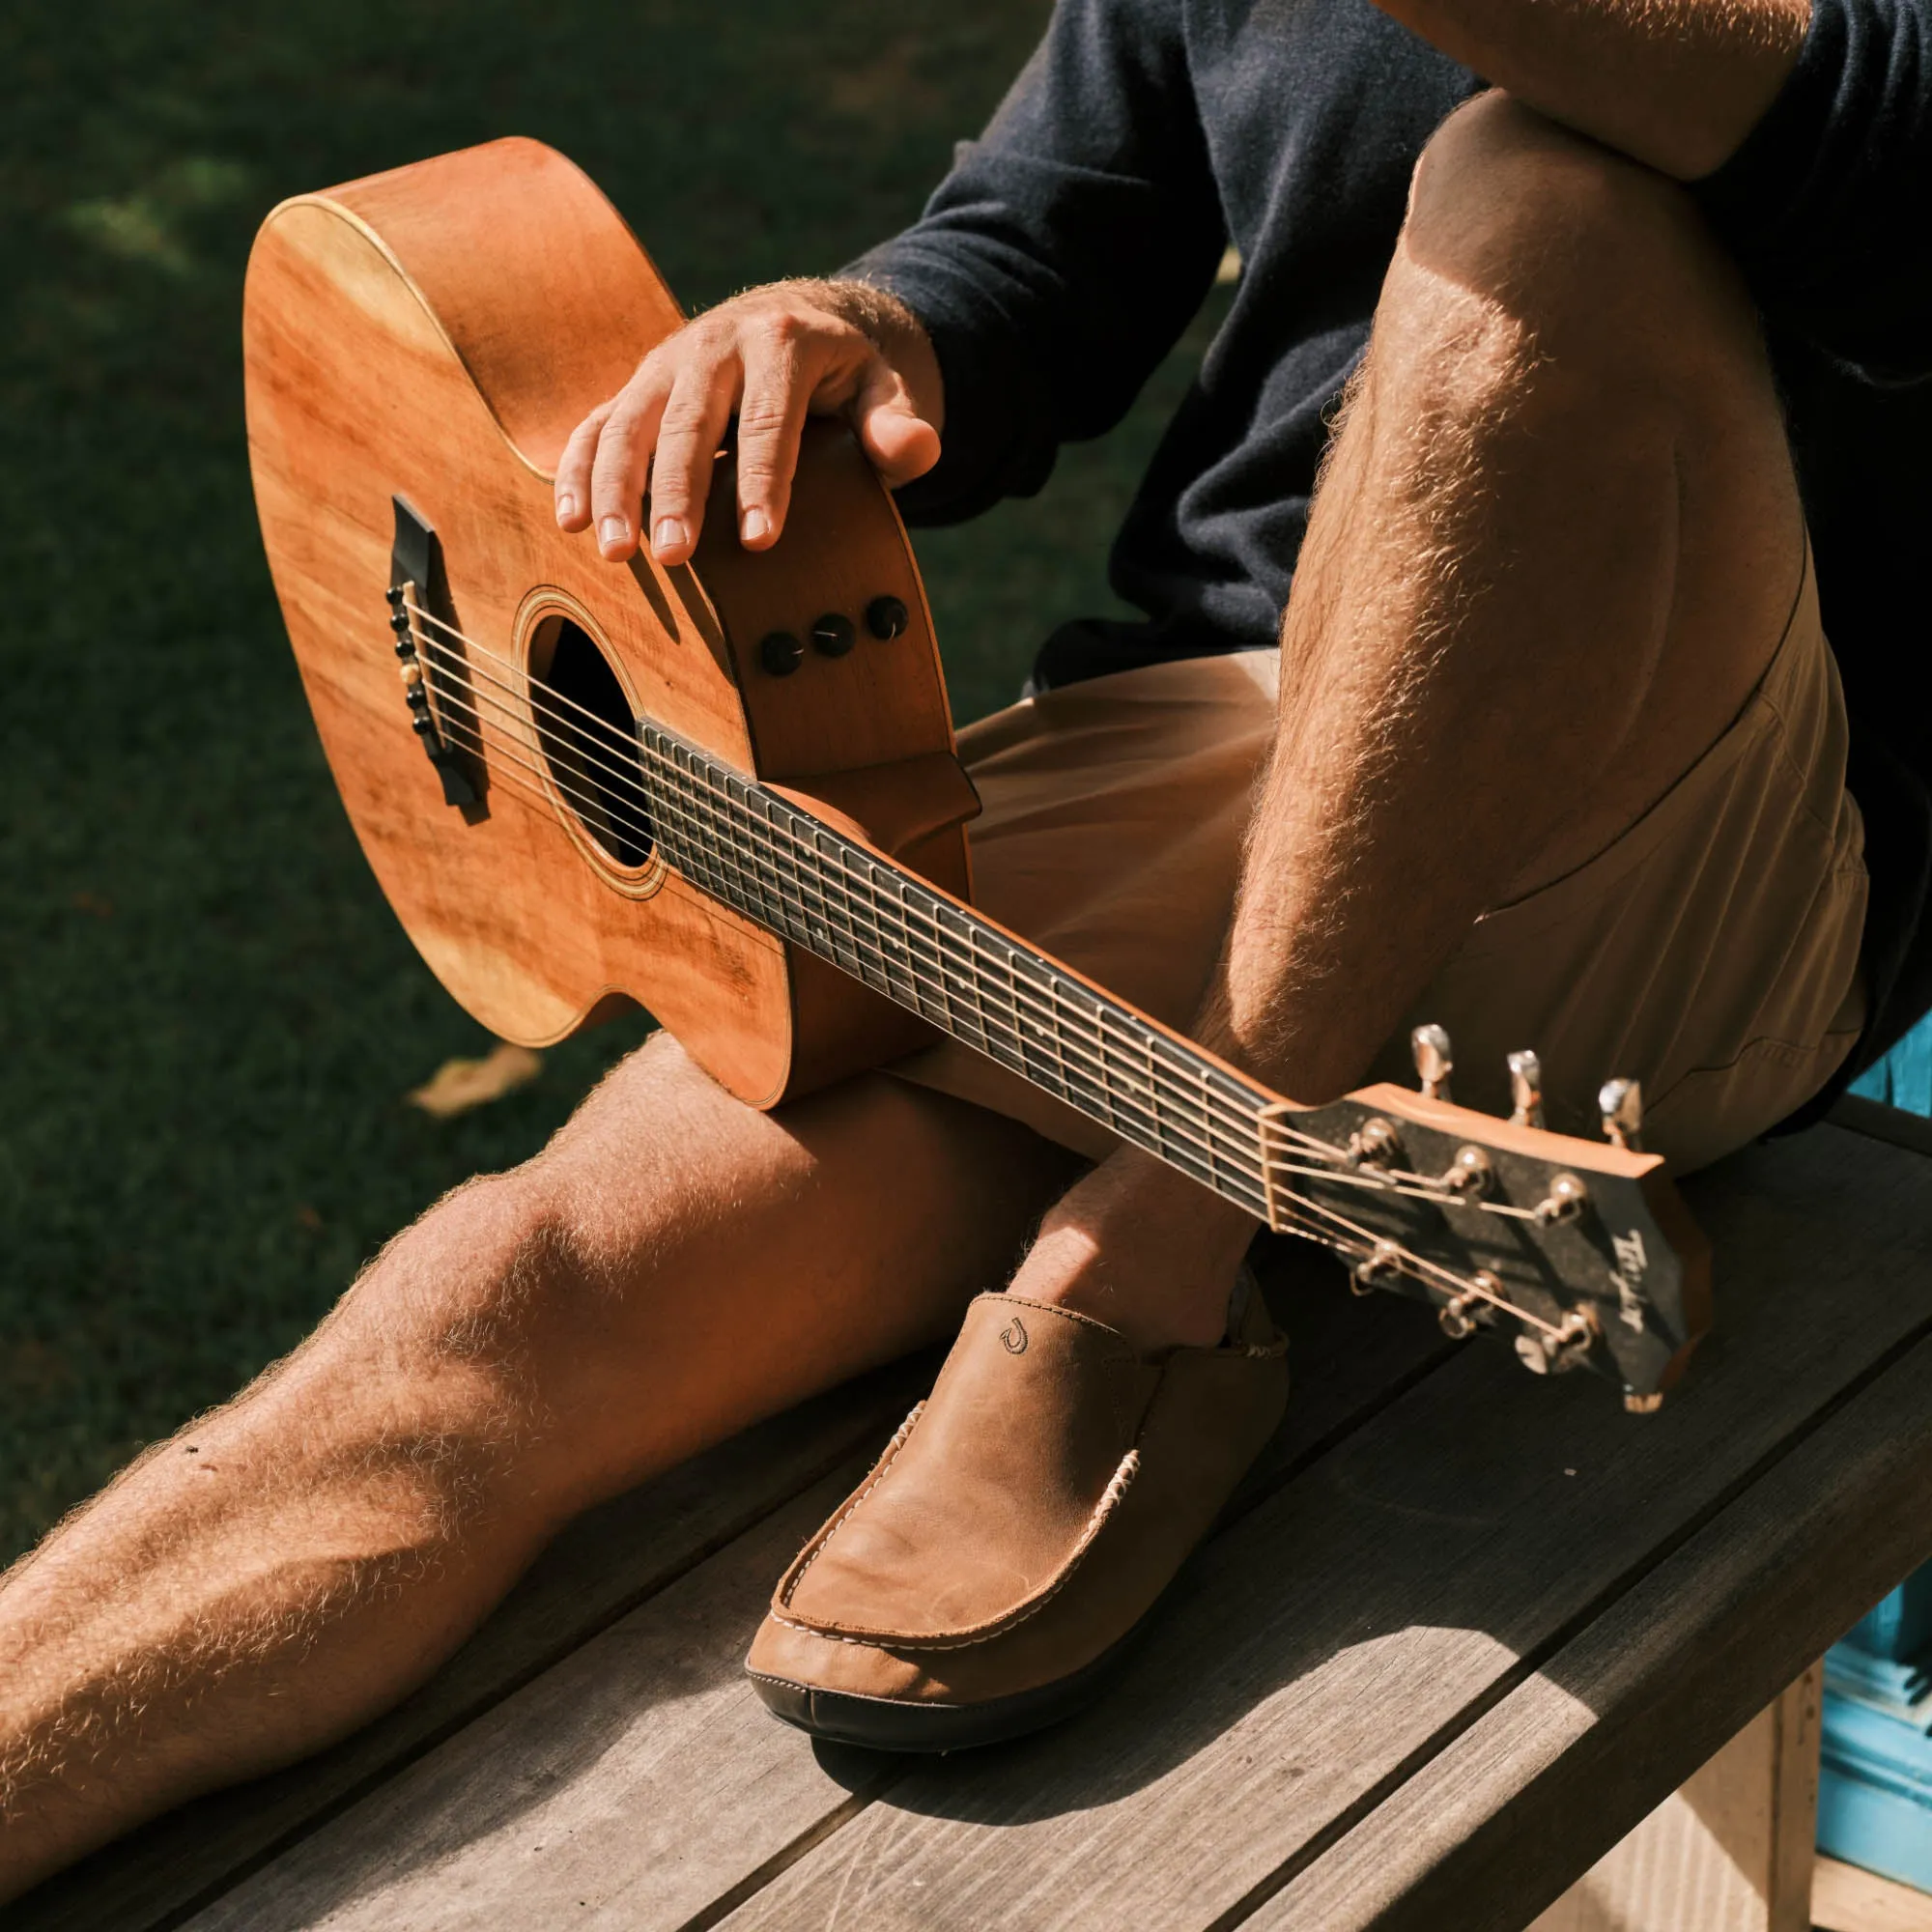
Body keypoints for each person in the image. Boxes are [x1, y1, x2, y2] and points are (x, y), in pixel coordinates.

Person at [5, 0, 1929, 1889]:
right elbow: (1040, 242)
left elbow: (1878, 144)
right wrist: (867, 325)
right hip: (1223, 753)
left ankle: (1163, 1233)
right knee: (500, 1306)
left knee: (1544, 199)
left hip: (1711, 820)